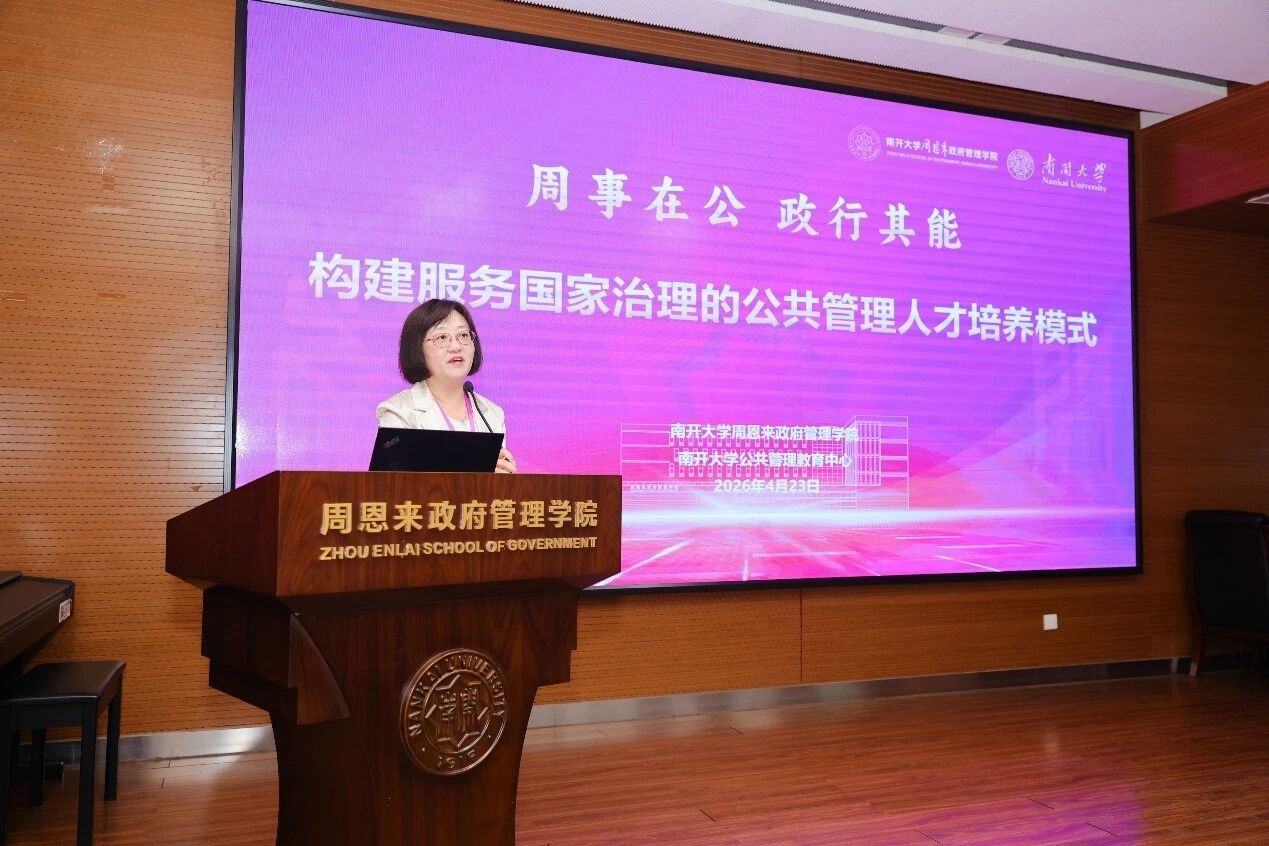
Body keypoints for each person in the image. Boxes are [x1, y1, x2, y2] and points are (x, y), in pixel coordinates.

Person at [376, 299, 517, 473]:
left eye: (463, 336)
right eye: (442, 337)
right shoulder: (398, 412)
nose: (456, 346)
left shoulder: (492, 414)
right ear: (417, 348)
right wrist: (477, 469)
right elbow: (395, 482)